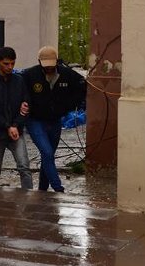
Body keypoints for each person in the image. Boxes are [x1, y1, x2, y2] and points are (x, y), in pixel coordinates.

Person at [21, 46, 86, 192]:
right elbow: (21, 93)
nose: (49, 68)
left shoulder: (67, 74)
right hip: (35, 120)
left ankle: (42, 190)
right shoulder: (29, 75)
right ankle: (58, 188)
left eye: (52, 65)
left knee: (48, 155)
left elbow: (82, 87)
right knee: (47, 152)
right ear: (39, 62)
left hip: (55, 120)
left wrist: (68, 106)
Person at [0, 46, 33, 189]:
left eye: (12, 63)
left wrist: (16, 124)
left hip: (16, 131)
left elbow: (26, 105)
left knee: (24, 167)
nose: (10, 67)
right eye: (6, 64)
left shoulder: (19, 81)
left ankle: (29, 200)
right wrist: (7, 126)